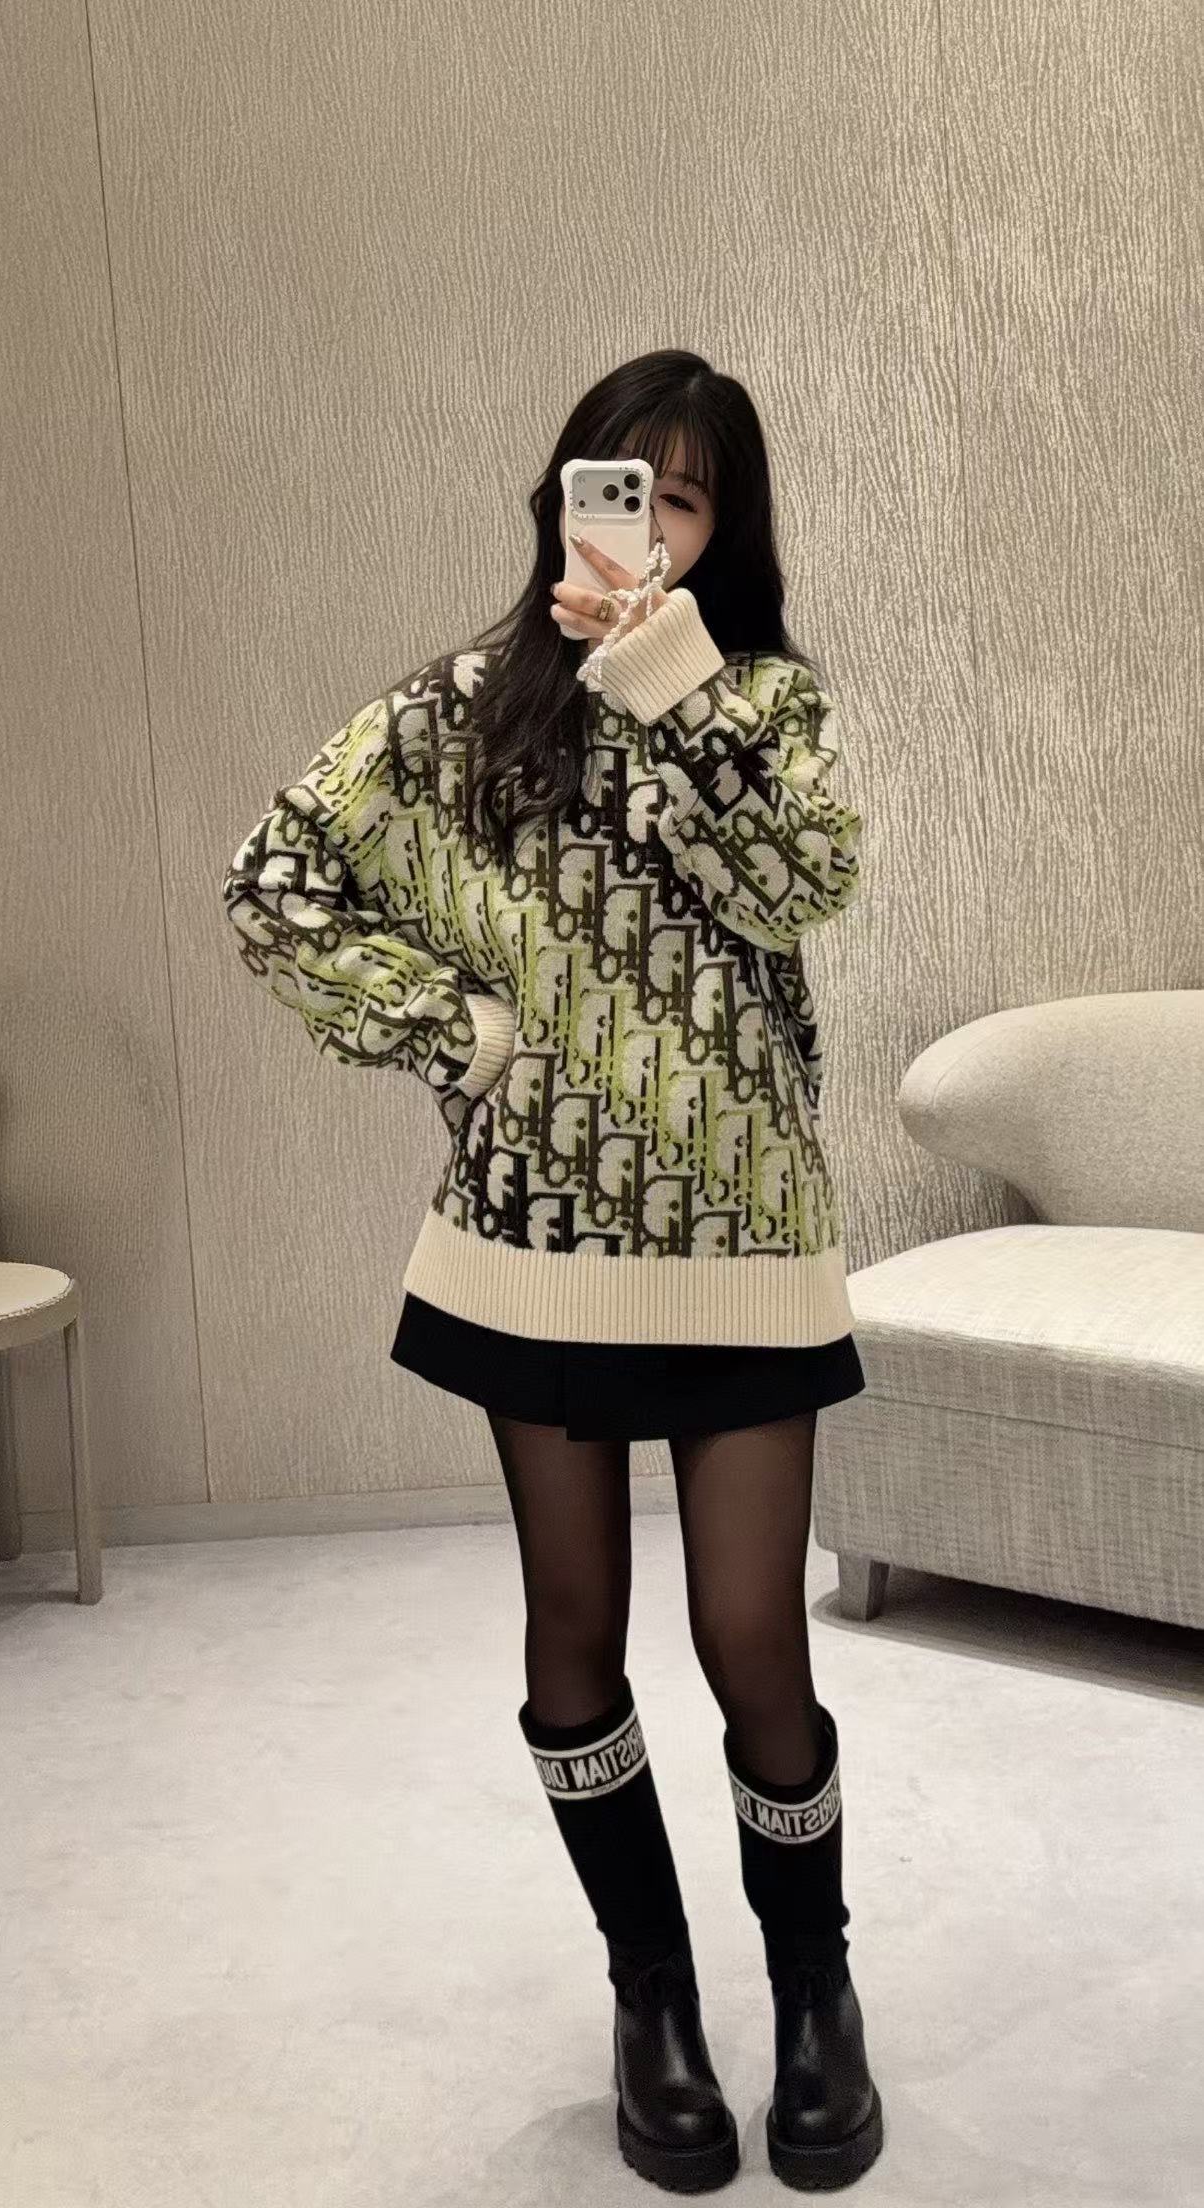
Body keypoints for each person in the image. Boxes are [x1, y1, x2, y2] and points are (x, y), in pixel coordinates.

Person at [222, 347, 883, 2192]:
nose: (647, 528)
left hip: (743, 1239)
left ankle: (813, 1989)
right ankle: (648, 1997)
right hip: (536, 1243)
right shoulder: (460, 714)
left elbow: (802, 887)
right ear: (563, 498)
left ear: (726, 529)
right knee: (572, 1633)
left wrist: (670, 685)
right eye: (621, 488)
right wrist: (459, 1035)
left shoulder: (762, 701)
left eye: (687, 499)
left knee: (752, 1639)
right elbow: (277, 881)